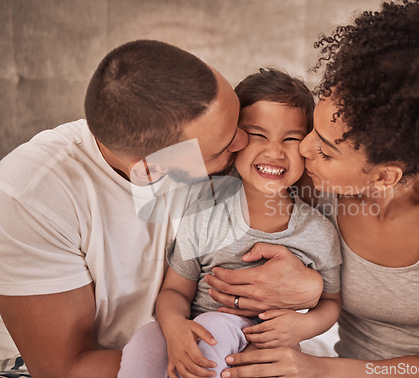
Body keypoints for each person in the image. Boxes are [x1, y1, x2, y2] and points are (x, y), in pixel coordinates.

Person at [202, 1, 419, 377]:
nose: (305, 149)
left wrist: (318, 369)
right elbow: (203, 165)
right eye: (313, 129)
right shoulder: (312, 178)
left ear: (384, 177)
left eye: (326, 150)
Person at [0, 41, 324, 377]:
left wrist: (313, 287)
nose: (245, 143)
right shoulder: (28, 196)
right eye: (226, 145)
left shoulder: (199, 135)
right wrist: (219, 366)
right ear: (151, 172)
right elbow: (65, 369)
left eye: (238, 122)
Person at [117, 68, 343, 378]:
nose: (275, 151)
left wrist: (303, 326)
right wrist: (174, 328)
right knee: (144, 340)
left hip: (264, 348)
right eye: (259, 134)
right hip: (197, 329)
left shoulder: (318, 231)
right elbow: (174, 292)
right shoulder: (205, 210)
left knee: (216, 330)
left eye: (291, 138)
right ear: (234, 140)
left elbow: (331, 303)